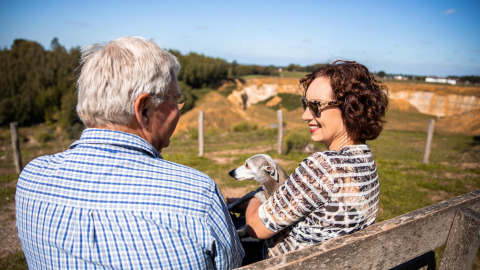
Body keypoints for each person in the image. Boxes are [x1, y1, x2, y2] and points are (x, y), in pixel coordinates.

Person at [15, 36, 244, 269]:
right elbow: (234, 264)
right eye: (175, 99)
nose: (177, 110)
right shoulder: (197, 196)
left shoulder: (30, 178)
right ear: (144, 109)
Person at [244, 60, 388, 259]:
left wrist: (256, 197)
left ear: (350, 108)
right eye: (305, 104)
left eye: (315, 106)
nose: (305, 115)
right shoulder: (365, 161)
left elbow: (256, 228)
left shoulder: (323, 167)